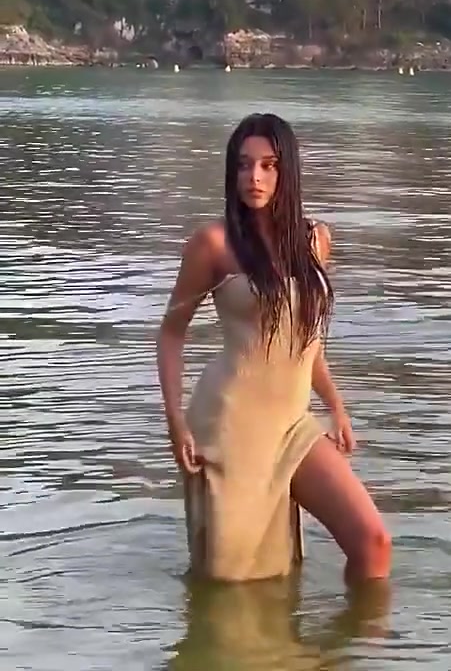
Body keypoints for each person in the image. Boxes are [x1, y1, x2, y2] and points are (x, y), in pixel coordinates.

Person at [156, 112, 391, 584]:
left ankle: (363, 631)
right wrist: (175, 421)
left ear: (288, 171)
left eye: (268, 165)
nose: (254, 177)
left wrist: (336, 406)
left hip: (293, 426)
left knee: (373, 543)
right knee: (233, 583)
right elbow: (171, 333)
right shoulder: (213, 243)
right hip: (230, 428)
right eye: (244, 165)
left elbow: (305, 340)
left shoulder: (314, 240)